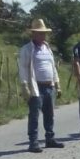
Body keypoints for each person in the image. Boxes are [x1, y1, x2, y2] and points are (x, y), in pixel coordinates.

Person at [18, 18, 64, 152]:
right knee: (34, 115)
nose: (42, 35)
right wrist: (24, 86)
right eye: (39, 33)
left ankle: (50, 138)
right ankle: (33, 142)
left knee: (49, 114)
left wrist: (57, 84)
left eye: (44, 33)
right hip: (35, 87)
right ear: (33, 34)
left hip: (49, 86)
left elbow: (53, 67)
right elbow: (23, 68)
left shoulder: (47, 48)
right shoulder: (26, 49)